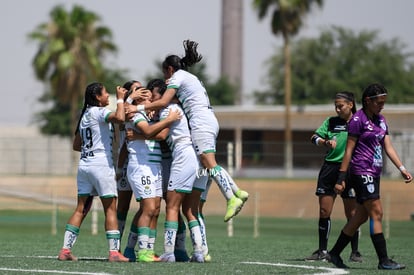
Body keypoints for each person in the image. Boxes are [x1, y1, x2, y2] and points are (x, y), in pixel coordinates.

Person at [126, 40, 249, 222]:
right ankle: (238, 192)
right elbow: (175, 101)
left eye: (164, 73)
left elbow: (163, 101)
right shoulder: (190, 78)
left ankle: (231, 197)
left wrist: (137, 109)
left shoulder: (177, 77)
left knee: (209, 161)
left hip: (201, 122)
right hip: (207, 120)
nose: (165, 79)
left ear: (169, 69)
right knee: (208, 162)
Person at [327, 83, 413, 270]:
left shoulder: (381, 120)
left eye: (384, 102)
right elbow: (348, 151)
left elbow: (387, 146)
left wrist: (402, 167)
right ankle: (384, 260)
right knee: (377, 212)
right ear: (368, 101)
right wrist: (341, 177)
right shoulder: (357, 120)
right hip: (361, 171)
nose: (382, 105)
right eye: (379, 102)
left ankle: (333, 253)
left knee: (360, 217)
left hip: (374, 173)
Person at [57, 82, 129, 262]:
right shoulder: (99, 112)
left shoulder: (85, 116)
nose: (108, 96)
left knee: (80, 209)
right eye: (105, 93)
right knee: (110, 208)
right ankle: (114, 253)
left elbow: (76, 145)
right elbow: (120, 118)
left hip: (84, 166)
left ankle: (65, 250)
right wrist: (120, 100)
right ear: (97, 97)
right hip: (100, 165)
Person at [305, 92, 362, 263]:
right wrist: (324, 142)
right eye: (335, 106)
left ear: (351, 104)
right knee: (324, 211)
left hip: (351, 171)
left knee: (352, 213)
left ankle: (355, 251)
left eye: (341, 106)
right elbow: (314, 137)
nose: (337, 109)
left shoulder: (360, 121)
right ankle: (322, 250)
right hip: (330, 169)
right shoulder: (331, 122)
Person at [125, 90, 181, 262]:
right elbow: (149, 132)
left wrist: (141, 133)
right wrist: (169, 120)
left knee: (155, 210)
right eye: (147, 95)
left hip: (154, 167)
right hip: (142, 167)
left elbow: (161, 134)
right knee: (148, 208)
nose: (152, 99)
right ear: (139, 99)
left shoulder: (148, 115)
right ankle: (141, 251)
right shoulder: (135, 114)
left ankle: (148, 249)